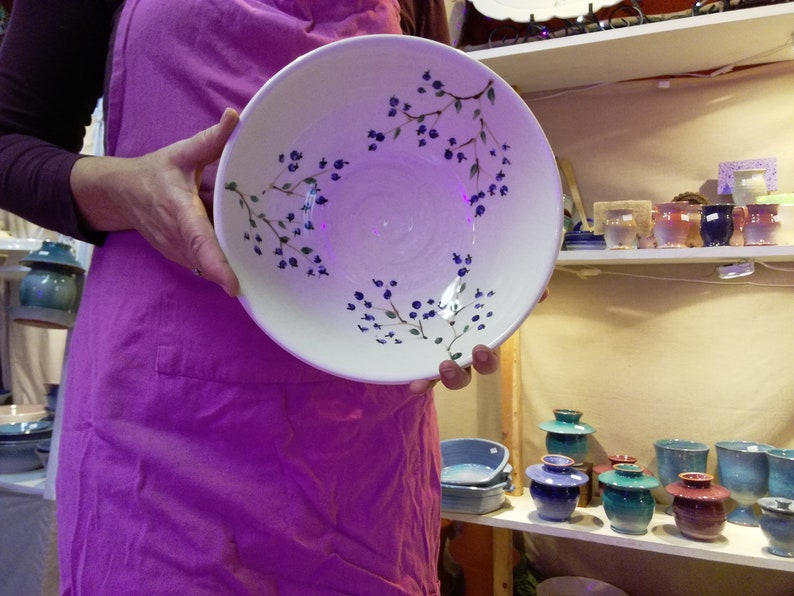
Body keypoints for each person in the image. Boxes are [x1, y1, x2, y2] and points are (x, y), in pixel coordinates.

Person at [0, 1, 507, 593]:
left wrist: (496, 259)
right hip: (160, 437)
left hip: (366, 446)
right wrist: (127, 191)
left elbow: (445, 134)